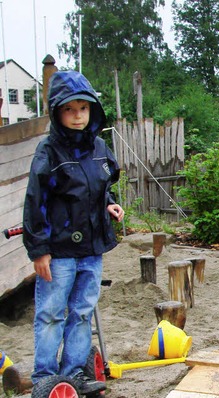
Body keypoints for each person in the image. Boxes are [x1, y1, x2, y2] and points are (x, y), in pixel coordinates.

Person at [23, 70, 124, 395]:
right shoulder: (49, 153)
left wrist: (109, 203)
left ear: (92, 110)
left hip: (91, 250)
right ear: (57, 111)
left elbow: (99, 185)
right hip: (59, 252)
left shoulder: (98, 147)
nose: (77, 115)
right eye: (70, 109)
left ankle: (74, 375)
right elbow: (35, 202)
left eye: (83, 108)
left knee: (81, 313)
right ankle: (45, 380)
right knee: (51, 314)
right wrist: (38, 250)